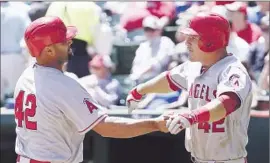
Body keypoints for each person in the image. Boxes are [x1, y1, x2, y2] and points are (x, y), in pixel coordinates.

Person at [14, 16, 168, 163]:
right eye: (64, 41)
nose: (70, 42)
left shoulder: (26, 76)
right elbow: (107, 128)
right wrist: (155, 124)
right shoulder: (63, 84)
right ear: (49, 51)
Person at [127, 12, 252, 163]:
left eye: (193, 38)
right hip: (198, 158)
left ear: (210, 41)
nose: (186, 43)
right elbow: (169, 79)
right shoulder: (194, 66)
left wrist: (191, 116)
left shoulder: (233, 70)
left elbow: (227, 103)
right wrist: (139, 91)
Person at [130, 15, 175, 84]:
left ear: (159, 30)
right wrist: (136, 75)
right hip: (141, 81)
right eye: (147, 30)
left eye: (152, 30)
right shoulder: (143, 46)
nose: (149, 33)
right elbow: (135, 66)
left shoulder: (165, 42)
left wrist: (139, 74)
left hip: (160, 81)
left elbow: (156, 65)